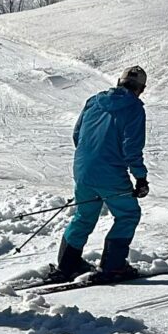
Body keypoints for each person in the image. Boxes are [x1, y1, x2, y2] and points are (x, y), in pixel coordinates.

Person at [52, 65, 149, 282]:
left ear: (118, 81)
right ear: (141, 89)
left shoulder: (94, 101)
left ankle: (67, 264)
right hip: (110, 172)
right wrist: (140, 177)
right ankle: (113, 266)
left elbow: (77, 134)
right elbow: (132, 148)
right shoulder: (134, 109)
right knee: (128, 214)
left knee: (84, 215)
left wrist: (89, 161)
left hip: (83, 169)